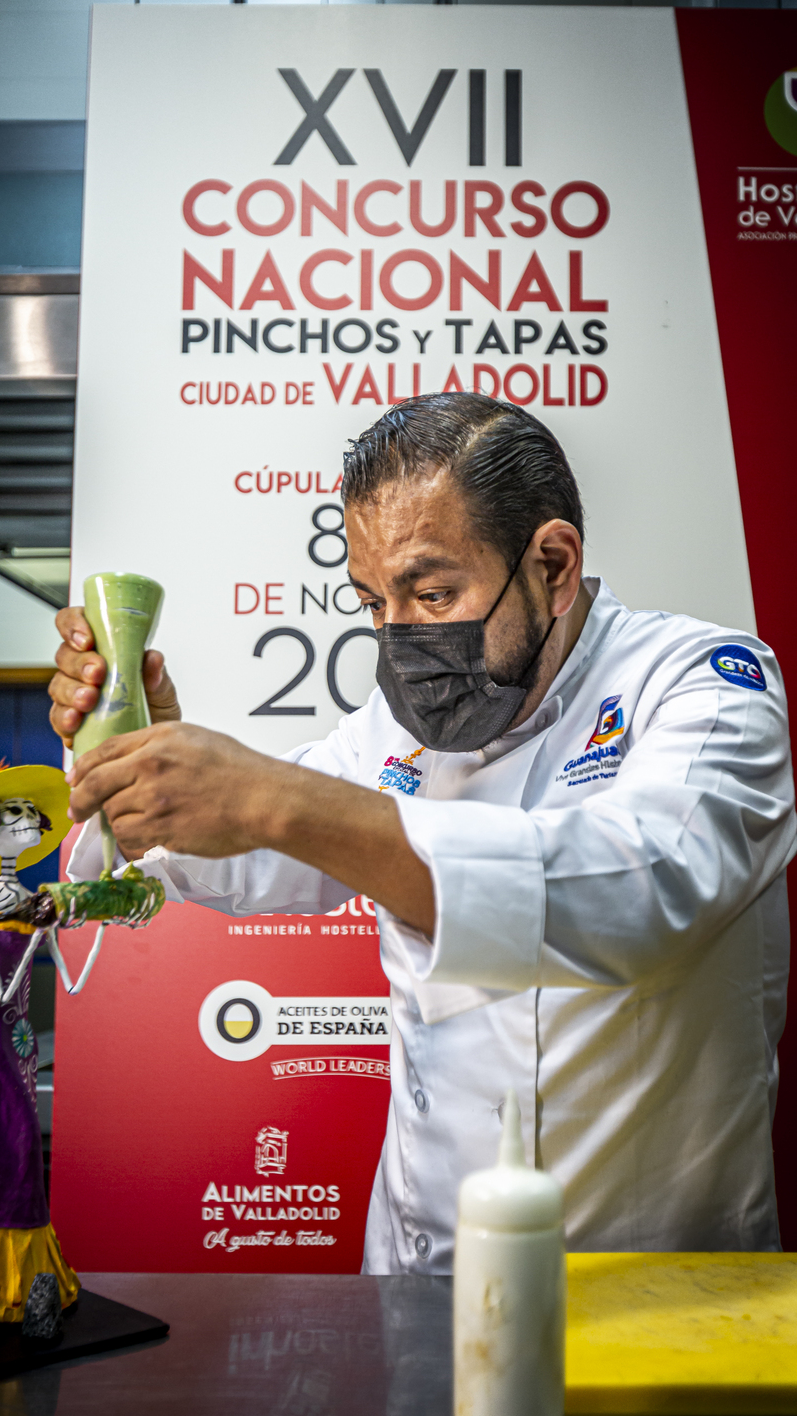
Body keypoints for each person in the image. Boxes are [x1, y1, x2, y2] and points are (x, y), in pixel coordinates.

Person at [50, 392, 796, 1271]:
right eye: (373, 602)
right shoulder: (393, 726)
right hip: (416, 1278)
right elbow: (248, 855)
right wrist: (144, 759)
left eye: (433, 592)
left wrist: (275, 797)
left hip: (646, 1286)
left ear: (553, 566)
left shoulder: (703, 683)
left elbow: (644, 891)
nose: (400, 639)